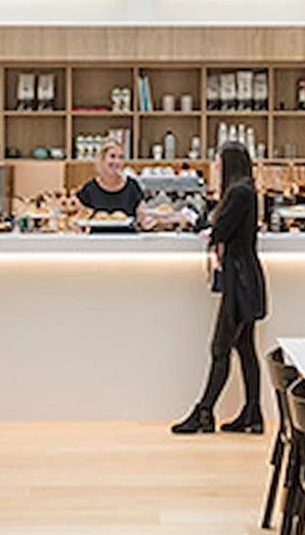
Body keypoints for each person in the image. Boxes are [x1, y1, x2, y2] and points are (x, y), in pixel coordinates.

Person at [172, 142, 267, 435]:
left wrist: (194, 220)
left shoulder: (239, 193)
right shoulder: (244, 190)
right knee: (244, 348)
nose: (214, 167)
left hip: (239, 282)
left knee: (221, 348)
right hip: (245, 279)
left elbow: (220, 231)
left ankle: (204, 413)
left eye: (217, 161)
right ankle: (252, 414)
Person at [76, 140, 153, 231]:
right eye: (112, 156)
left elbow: (142, 215)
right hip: (97, 242)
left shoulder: (132, 186)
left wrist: (147, 221)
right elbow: (80, 217)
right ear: (102, 159)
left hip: (128, 241)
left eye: (121, 157)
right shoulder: (90, 189)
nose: (117, 161)